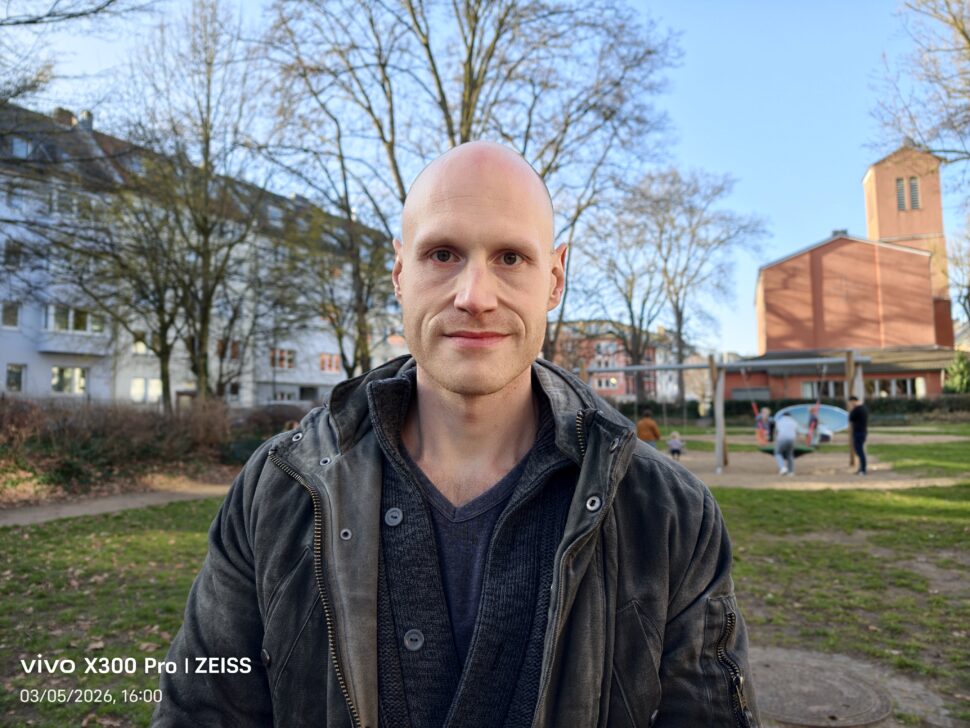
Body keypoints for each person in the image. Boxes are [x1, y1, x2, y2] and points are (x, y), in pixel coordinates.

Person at [152, 142, 759, 727]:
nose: (475, 297)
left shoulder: (669, 514)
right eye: (443, 254)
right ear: (400, 273)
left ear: (554, 279)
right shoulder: (277, 491)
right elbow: (202, 709)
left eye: (510, 258)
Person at [849, 395, 869, 475]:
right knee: (859, 451)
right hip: (862, 432)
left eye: (850, 403)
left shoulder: (857, 409)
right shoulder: (863, 408)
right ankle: (861, 468)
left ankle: (863, 469)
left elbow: (850, 418)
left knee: (859, 451)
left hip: (858, 432)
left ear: (853, 401)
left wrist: (852, 409)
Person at [774, 412, 798, 476]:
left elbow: (776, 432)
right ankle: (791, 472)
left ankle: (783, 468)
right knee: (790, 454)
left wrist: (775, 440)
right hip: (791, 439)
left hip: (782, 438)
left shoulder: (779, 421)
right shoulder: (794, 422)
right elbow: (795, 432)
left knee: (777, 453)